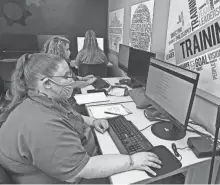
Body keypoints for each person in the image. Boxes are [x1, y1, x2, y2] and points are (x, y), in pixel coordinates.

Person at [0, 53, 162, 184]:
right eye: (66, 76)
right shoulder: (41, 124)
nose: (73, 81)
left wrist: (92, 121)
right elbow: (81, 170)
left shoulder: (47, 99)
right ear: (47, 83)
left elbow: (71, 115)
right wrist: (132, 161)